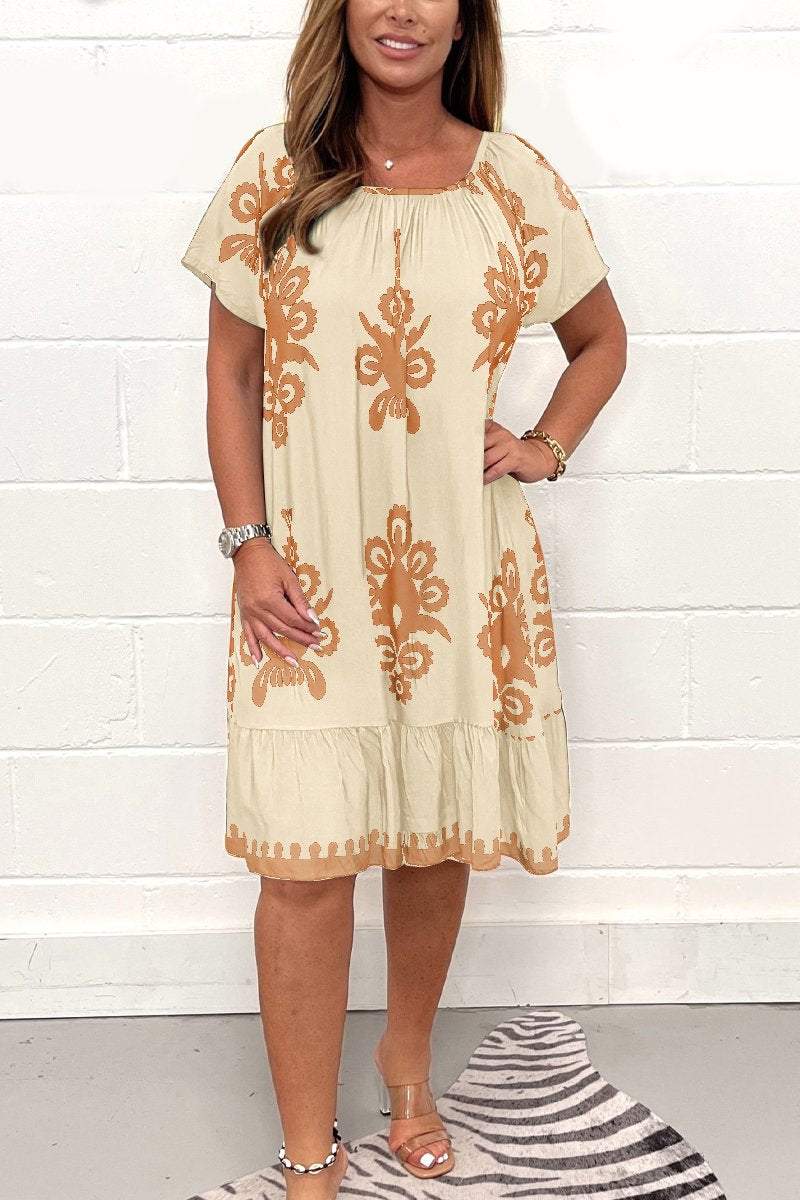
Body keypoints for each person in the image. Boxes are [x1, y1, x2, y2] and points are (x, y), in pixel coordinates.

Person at [180, 0, 626, 1194]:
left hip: (460, 569)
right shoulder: (274, 171)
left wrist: (542, 446)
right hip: (304, 574)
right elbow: (230, 369)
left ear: (463, 22)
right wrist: (247, 544)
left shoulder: (510, 181)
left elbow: (599, 338)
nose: (401, 9)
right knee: (302, 862)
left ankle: (409, 1067)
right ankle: (307, 1150)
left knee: (430, 835)